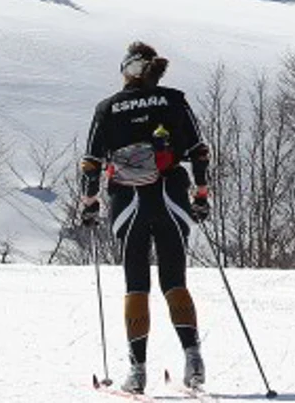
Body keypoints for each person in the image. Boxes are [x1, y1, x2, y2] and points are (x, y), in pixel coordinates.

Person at [79, 42, 213, 393]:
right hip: (171, 197)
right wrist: (201, 195)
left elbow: (91, 161)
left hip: (128, 201)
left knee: (136, 283)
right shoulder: (173, 99)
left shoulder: (107, 107)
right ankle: (194, 360)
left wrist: (89, 201)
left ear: (128, 70)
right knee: (175, 280)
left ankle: (137, 372)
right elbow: (199, 151)